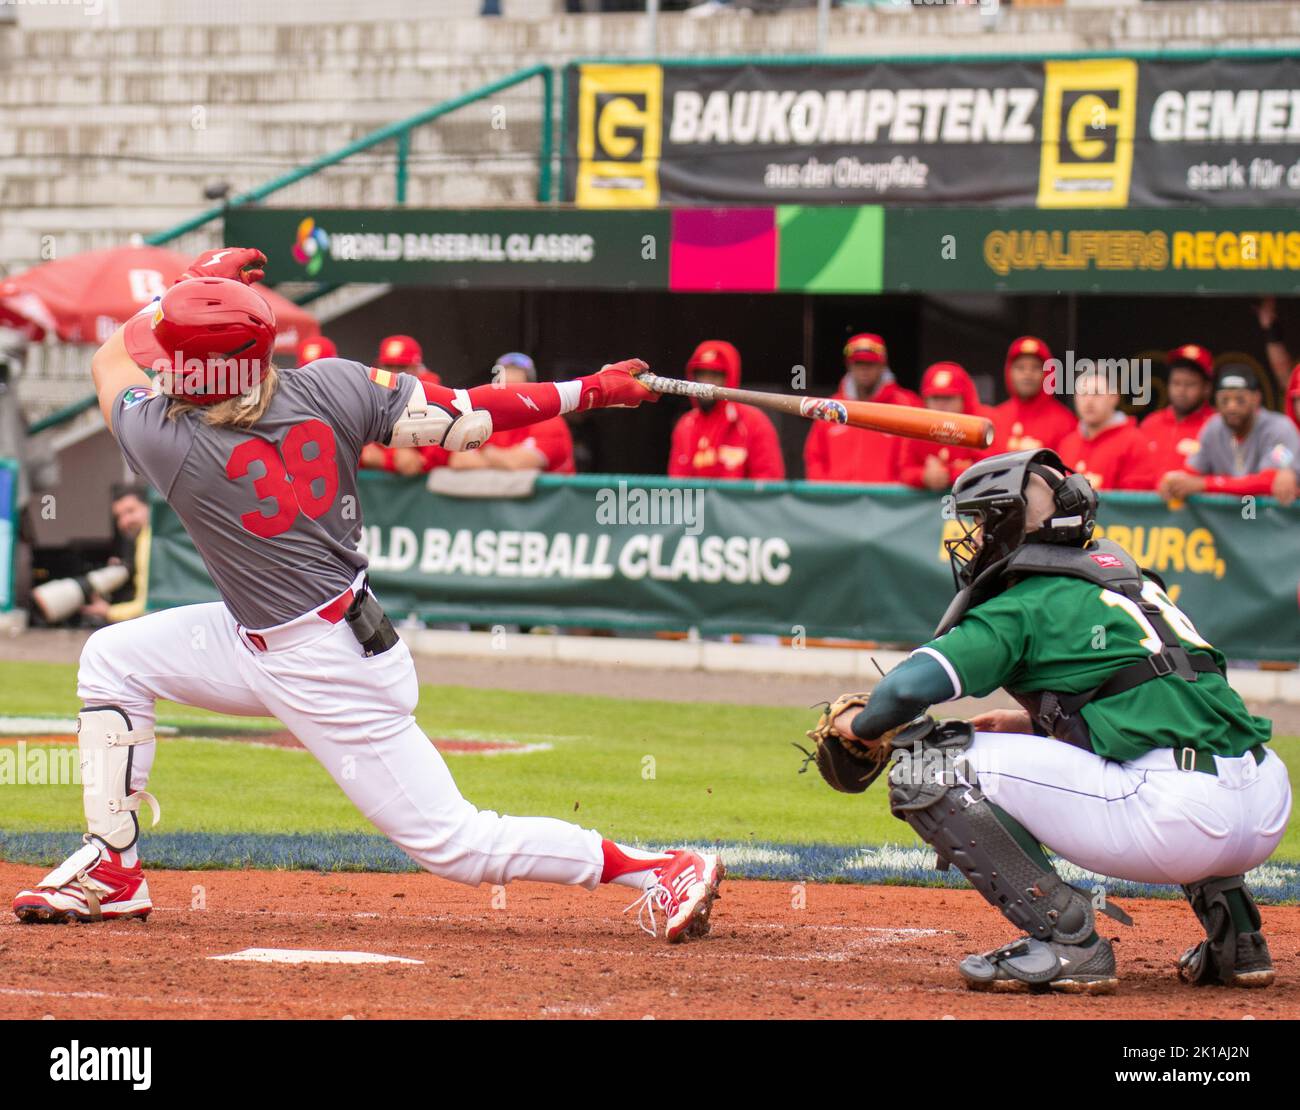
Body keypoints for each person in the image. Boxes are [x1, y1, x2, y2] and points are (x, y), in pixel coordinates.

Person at [12, 247, 724, 943]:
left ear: (198, 371)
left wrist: (188, 288)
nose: (163, 364)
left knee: (456, 844)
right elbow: (470, 413)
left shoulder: (170, 439)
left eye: (177, 354)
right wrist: (594, 389)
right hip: (270, 634)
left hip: (325, 665)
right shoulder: (334, 384)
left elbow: (112, 356)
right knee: (113, 657)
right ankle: (112, 865)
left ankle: (661, 866)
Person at [819, 449, 1290, 992]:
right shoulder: (1138, 588)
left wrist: (859, 724)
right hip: (1264, 801)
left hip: (1177, 818)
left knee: (924, 765)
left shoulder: (1025, 602)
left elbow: (902, 691)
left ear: (1011, 525)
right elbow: (1181, 701)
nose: (973, 539)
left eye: (979, 523)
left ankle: (1067, 942)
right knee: (1189, 772)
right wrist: (1041, 725)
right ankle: (1239, 941)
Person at [1158, 365, 1300, 507]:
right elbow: (1190, 473)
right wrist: (1172, 481)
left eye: (1240, 399)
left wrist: (1204, 484)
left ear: (1256, 398)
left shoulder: (1279, 428)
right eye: (1225, 400)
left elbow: (1268, 481)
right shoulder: (1213, 428)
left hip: (1270, 521)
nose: (1231, 406)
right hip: (1226, 523)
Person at [803, 332, 919, 484]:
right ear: (848, 365)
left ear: (883, 364)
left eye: (871, 363)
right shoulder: (831, 407)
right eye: (858, 363)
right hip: (840, 502)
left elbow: (917, 457)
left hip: (888, 503)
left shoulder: (906, 405)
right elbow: (814, 456)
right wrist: (826, 494)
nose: (864, 369)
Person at [667, 339, 784, 480]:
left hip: (741, 502)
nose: (706, 383)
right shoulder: (685, 426)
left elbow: (769, 484)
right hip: (697, 502)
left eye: (715, 375)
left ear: (730, 377)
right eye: (701, 374)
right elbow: (678, 487)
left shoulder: (754, 422)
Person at [448, 353, 575, 474]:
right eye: (505, 389)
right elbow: (458, 460)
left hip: (554, 497)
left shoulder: (549, 420)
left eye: (517, 389)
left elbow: (516, 463)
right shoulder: (486, 418)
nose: (510, 396)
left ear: (531, 390)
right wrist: (502, 460)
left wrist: (487, 451)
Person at [1055, 367, 1155, 491]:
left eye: (1097, 393)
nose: (1089, 400)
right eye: (1083, 393)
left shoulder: (1134, 442)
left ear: (1114, 397)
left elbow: (1136, 502)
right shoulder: (1067, 444)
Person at [898, 362, 986, 491]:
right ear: (925, 401)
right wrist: (924, 476)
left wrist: (948, 473)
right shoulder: (917, 429)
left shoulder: (980, 427)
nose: (941, 405)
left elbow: (987, 469)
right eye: (935, 398)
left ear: (963, 399)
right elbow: (904, 471)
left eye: (948, 398)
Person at [987, 336, 1075, 455]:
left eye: (1035, 367)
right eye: (1020, 367)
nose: (1027, 374)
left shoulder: (1065, 422)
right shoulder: (995, 418)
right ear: (1009, 371)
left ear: (1048, 373)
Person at [1140, 344, 1215, 479]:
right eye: (1176, 383)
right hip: (1149, 499)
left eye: (1190, 384)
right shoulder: (1150, 423)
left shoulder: (1216, 426)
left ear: (1207, 388)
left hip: (1197, 500)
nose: (1181, 390)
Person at [80, 483, 151, 624]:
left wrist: (109, 612)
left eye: (131, 511)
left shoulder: (148, 541)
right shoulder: (143, 539)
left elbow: (146, 606)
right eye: (119, 517)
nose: (124, 521)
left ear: (149, 507)